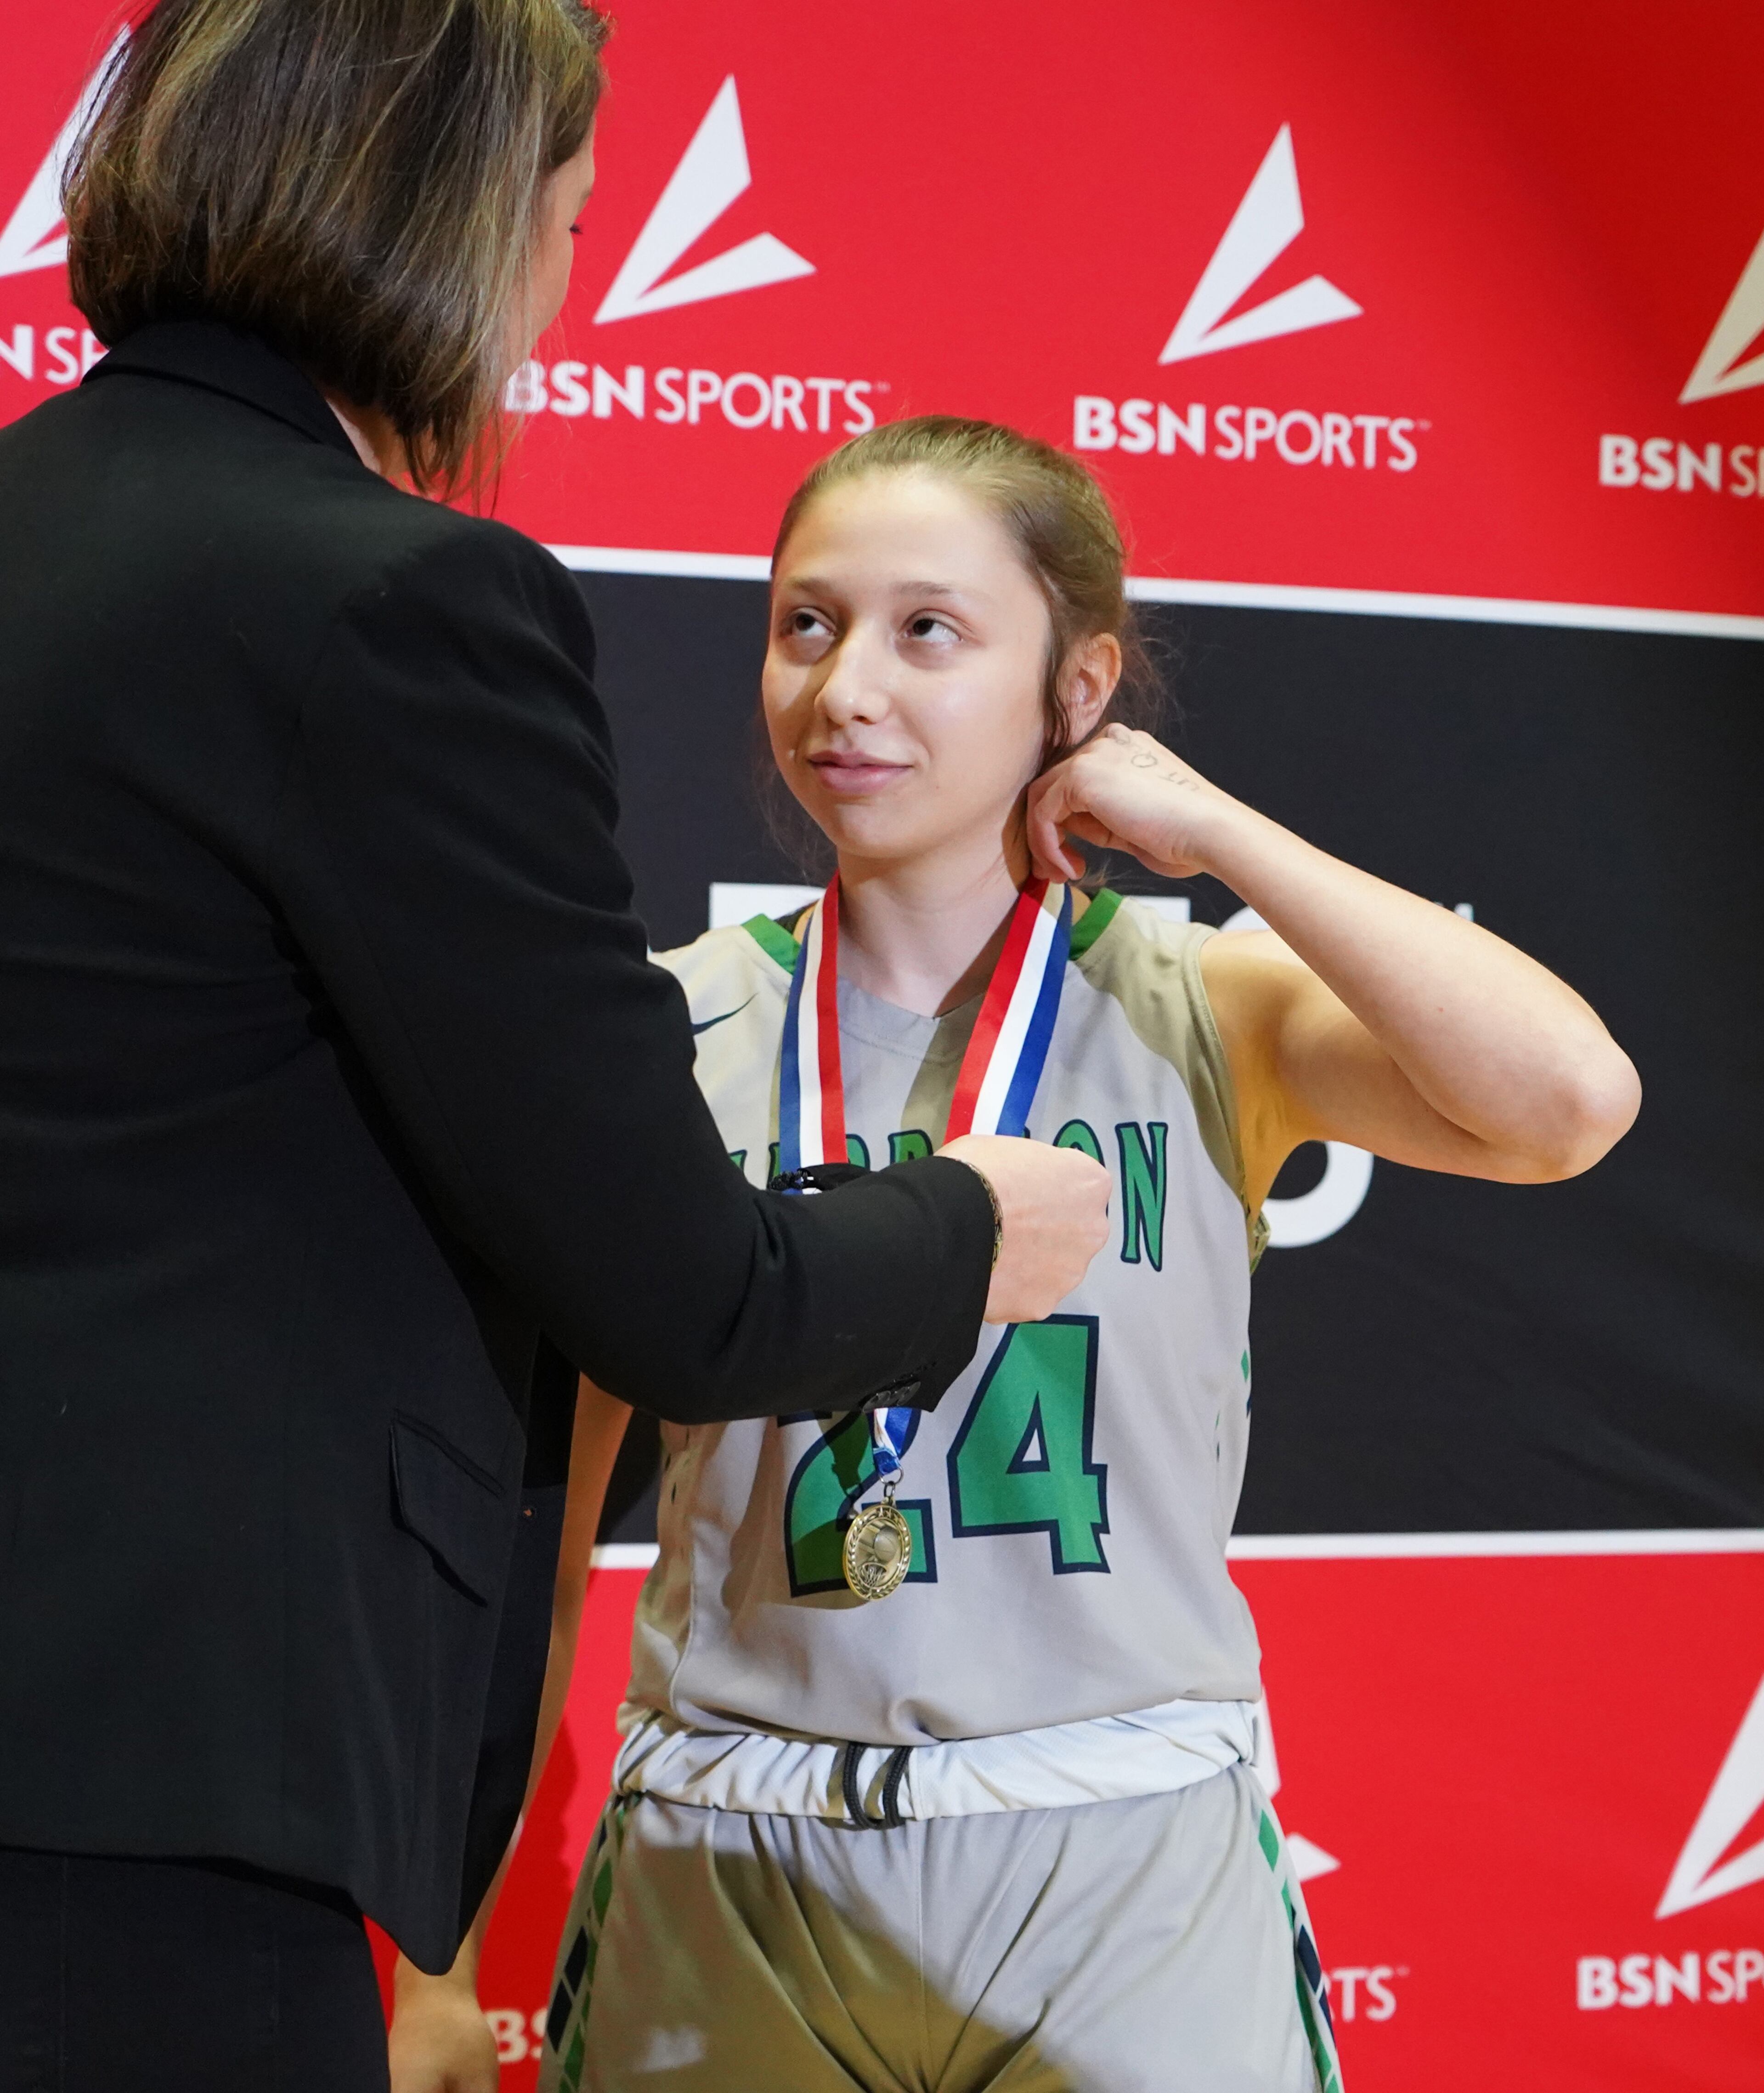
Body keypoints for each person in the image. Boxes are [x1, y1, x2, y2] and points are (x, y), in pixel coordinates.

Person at [0, 9, 1111, 2087]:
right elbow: (688, 1290)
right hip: (149, 1780)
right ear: (457, 213)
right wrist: (971, 1224)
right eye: (567, 223)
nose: (559, 287)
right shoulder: (392, 605)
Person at [388, 415, 1641, 2093]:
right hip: (741, 1849)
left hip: (1122, 1852)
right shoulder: (666, 1025)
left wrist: (1219, 830)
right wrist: (437, 1976)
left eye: (931, 630)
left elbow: (1568, 1102)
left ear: (1079, 682)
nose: (846, 689)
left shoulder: (1205, 1000)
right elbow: (532, 1542)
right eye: (808, 623)